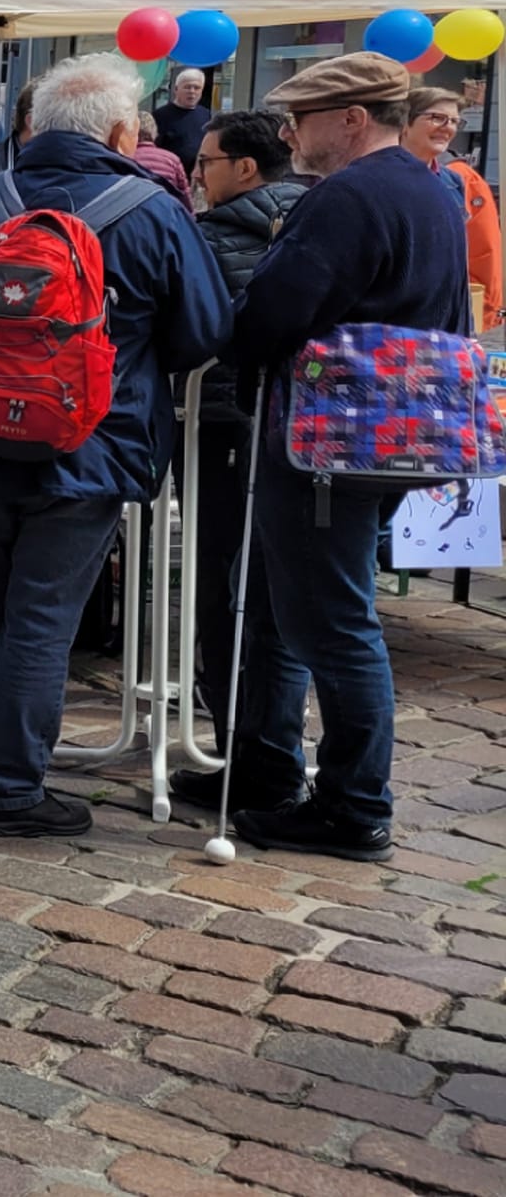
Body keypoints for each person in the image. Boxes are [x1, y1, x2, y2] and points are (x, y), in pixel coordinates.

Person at [0, 53, 231, 837]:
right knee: (42, 619)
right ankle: (12, 788)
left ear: (32, 126)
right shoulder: (152, 211)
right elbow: (203, 333)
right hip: (87, 448)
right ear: (124, 132)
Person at [228, 54, 471, 861]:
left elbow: (273, 313)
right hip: (381, 438)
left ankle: (353, 805)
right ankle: (263, 772)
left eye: (303, 119)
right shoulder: (427, 186)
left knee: (332, 624)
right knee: (285, 608)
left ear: (353, 120)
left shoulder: (350, 195)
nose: (291, 134)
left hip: (334, 443)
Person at [166, 110, 305, 813]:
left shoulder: (211, 235)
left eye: (208, 163)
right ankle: (272, 750)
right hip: (301, 432)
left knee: (226, 594)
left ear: (245, 168)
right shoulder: (316, 219)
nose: (199, 175)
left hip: (224, 426)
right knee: (280, 598)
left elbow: (191, 332)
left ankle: (246, 757)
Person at [405, 86, 501, 331]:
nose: (447, 127)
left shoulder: (459, 181)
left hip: (444, 321)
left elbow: (483, 256)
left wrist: (482, 318)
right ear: (404, 122)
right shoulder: (370, 177)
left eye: (455, 121)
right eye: (437, 118)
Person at [151, 68, 212, 172]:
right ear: (176, 89)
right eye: (187, 87)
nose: (192, 92)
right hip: (169, 173)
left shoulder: (206, 115)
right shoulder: (160, 115)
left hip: (197, 174)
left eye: (197, 88)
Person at [131, 112, 195, 212]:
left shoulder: (124, 158)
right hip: (165, 212)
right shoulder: (172, 159)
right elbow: (184, 195)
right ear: (154, 133)